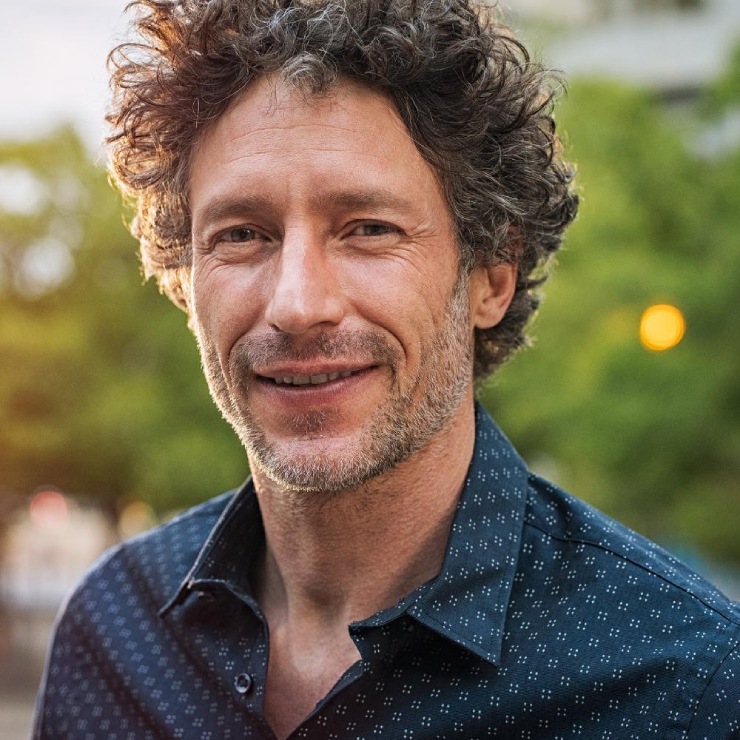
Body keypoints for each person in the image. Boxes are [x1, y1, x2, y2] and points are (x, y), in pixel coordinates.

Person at [34, 0, 739, 737]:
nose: (298, 303)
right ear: (185, 282)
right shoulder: (111, 633)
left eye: (369, 229)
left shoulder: (687, 685)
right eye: (242, 235)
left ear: (492, 274)